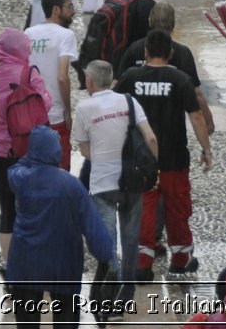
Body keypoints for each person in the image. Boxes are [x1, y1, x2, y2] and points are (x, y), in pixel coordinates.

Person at [118, 28, 212, 276]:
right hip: (174, 159)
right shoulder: (181, 80)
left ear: (146, 52)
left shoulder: (130, 77)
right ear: (170, 53)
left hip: (142, 160)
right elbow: (196, 116)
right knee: (177, 209)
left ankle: (142, 264)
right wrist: (207, 149)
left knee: (145, 209)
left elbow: (116, 110)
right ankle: (180, 261)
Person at [6, 125, 116, 329]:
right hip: (64, 265)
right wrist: (105, 252)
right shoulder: (72, 185)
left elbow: (15, 166)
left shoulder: (20, 178)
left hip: (26, 264)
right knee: (66, 319)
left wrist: (33, 157)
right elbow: (92, 225)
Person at [73, 60, 157, 319]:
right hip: (133, 182)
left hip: (103, 185)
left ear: (89, 81)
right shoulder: (129, 101)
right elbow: (151, 138)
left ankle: (109, 295)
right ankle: (125, 297)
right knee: (131, 241)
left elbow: (85, 150)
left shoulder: (84, 107)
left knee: (107, 245)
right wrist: (153, 175)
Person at [0, 28, 53, 266]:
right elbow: (45, 103)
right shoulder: (28, 72)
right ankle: (30, 260)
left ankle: (8, 263)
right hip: (25, 149)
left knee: (7, 207)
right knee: (30, 207)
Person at [117, 4, 215, 139]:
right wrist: (208, 122)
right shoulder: (182, 53)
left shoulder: (134, 49)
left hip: (139, 130)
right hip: (172, 130)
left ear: (150, 22)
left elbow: (117, 87)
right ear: (173, 24)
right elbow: (196, 93)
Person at [26, 0, 80, 169]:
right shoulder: (66, 35)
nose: (73, 11)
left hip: (30, 113)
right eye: (70, 6)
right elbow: (63, 77)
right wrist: (67, 111)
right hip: (55, 115)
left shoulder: (28, 33)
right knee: (60, 170)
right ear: (56, 9)